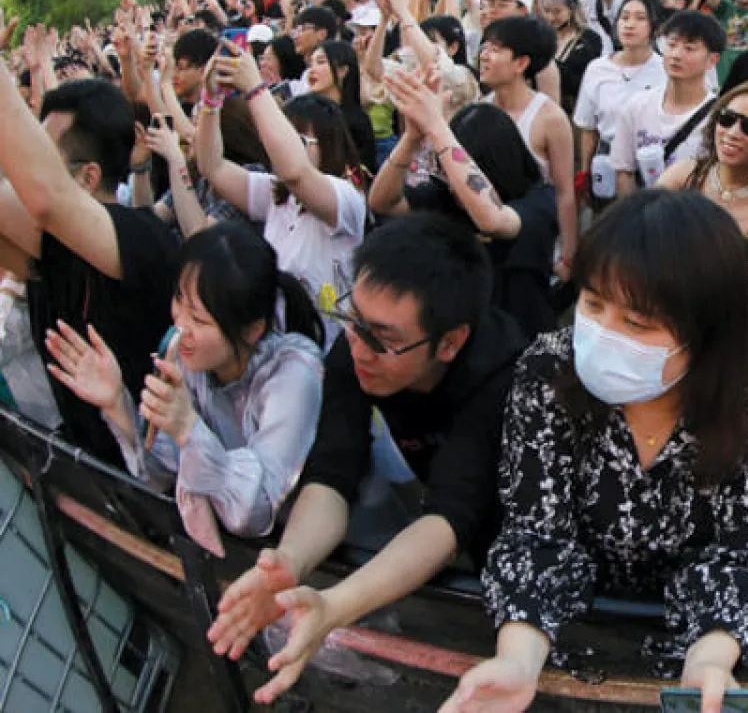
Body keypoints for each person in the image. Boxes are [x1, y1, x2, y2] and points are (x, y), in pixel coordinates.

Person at [442, 191, 748, 713]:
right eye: (592, 303)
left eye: (637, 323)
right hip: (568, 641)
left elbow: (747, 549)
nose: (605, 334)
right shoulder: (549, 370)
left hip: (703, 650)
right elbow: (537, 533)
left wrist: (709, 660)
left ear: (707, 330)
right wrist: (517, 658)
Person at [207, 215, 530, 705]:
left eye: (382, 337)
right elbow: (333, 472)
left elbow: (449, 517)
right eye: (352, 319)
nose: (357, 347)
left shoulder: (506, 377)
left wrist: (335, 605)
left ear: (450, 341)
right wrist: (290, 564)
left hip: (528, 524)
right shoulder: (358, 348)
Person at [44, 223, 324, 548]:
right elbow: (160, 473)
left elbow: (256, 511)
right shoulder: (187, 358)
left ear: (251, 330)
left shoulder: (294, 374)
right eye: (179, 300)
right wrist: (116, 402)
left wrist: (189, 429)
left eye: (200, 320)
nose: (181, 326)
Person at [0, 76, 180, 467]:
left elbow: (44, 198)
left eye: (45, 157)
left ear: (88, 177)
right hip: (86, 481)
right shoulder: (46, 250)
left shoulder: (144, 241)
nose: (24, 171)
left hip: (163, 488)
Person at [201, 47, 368, 347]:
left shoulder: (346, 198)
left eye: (298, 139)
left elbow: (296, 171)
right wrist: (211, 102)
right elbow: (212, 166)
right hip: (276, 347)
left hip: (327, 353)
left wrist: (255, 89)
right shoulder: (279, 195)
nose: (282, 147)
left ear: (328, 145)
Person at [372, 72, 557, 341]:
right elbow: (382, 202)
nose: (452, 184)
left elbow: (492, 220)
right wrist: (412, 138)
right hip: (459, 341)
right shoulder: (444, 195)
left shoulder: (537, 202)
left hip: (520, 340)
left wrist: (438, 128)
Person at [658, 80, 748, 345]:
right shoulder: (683, 177)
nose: (733, 133)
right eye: (726, 119)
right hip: (675, 326)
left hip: (742, 339)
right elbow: (640, 238)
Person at [477, 16, 578, 279]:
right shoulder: (479, 110)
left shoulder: (550, 118)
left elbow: (564, 191)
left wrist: (569, 255)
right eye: (484, 47)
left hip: (532, 245)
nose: (483, 56)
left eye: (495, 50)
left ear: (521, 63)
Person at [609, 11, 723, 197]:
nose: (676, 55)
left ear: (712, 60)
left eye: (689, 48)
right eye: (671, 45)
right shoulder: (637, 106)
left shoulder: (719, 118)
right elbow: (623, 171)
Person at [574, 0, 667, 179]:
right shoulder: (597, 68)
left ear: (656, 28)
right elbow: (588, 128)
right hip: (607, 163)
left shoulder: (666, 69)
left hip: (652, 161)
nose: (629, 24)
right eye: (624, 17)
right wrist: (584, 172)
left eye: (640, 18)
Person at [305, 40, 378, 174]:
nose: (312, 70)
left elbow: (364, 170)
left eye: (320, 62)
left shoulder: (357, 121)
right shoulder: (305, 113)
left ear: (342, 71)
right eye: (311, 63)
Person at [537, 0, 604, 115]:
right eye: (547, 11)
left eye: (557, 11)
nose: (551, 17)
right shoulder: (541, 36)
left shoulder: (589, 39)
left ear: (571, 9)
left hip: (575, 110)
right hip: (542, 107)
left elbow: (580, 78)